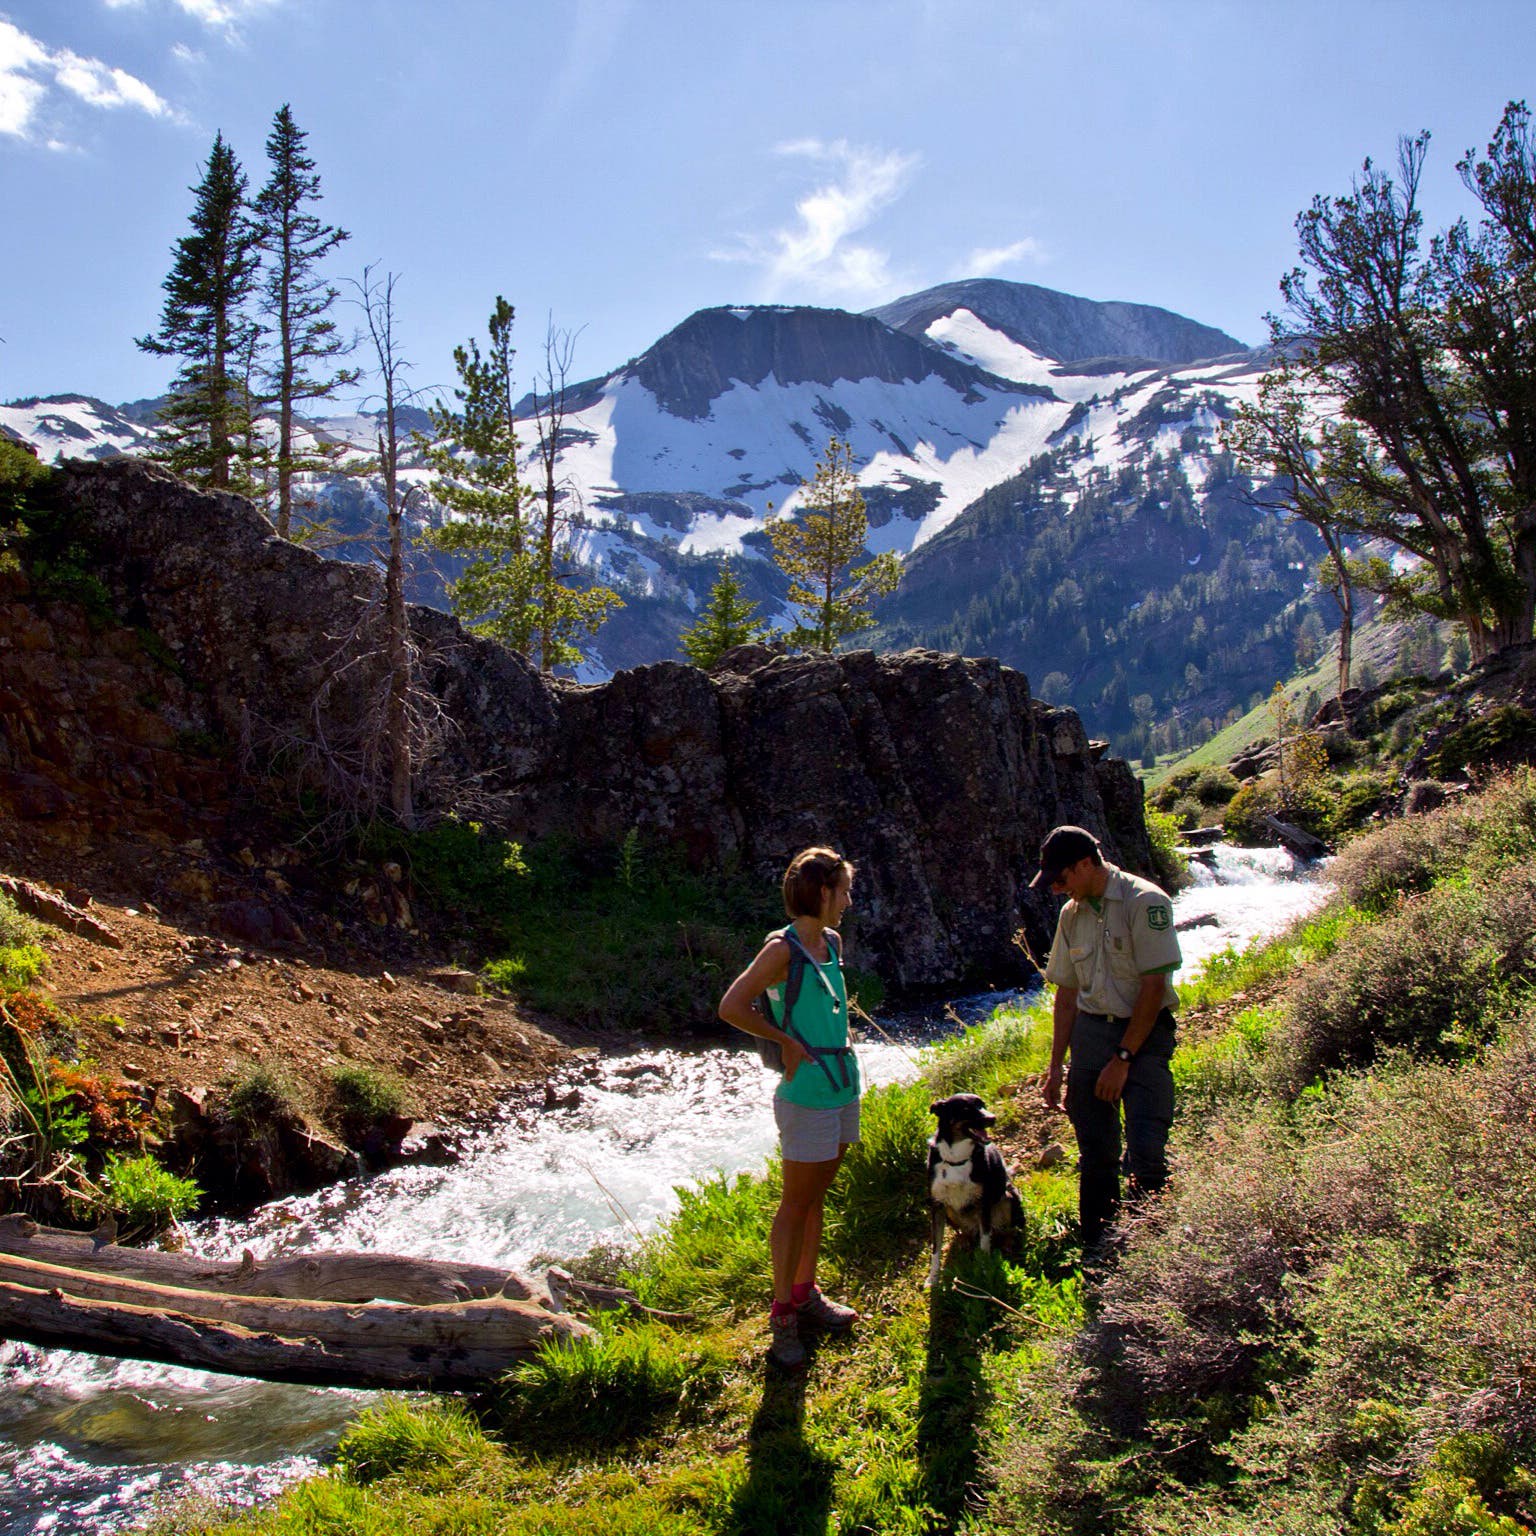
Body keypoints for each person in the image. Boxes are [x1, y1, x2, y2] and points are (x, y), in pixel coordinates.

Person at [719, 846, 862, 1368]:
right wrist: (784, 1041)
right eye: (843, 891)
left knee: (815, 1197)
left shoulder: (831, 941)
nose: (847, 900)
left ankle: (806, 1293)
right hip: (806, 1094)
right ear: (823, 892)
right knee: (795, 1202)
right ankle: (783, 1313)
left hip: (842, 1084)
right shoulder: (781, 950)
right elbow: (731, 1006)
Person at [1034, 825, 1181, 1256]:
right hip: (1091, 1033)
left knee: (1147, 1149)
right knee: (1095, 1152)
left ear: (1085, 864)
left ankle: (1155, 1252)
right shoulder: (1071, 915)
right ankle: (1099, 1246)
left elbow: (1154, 989)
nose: (1058, 890)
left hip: (1144, 1032)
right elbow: (1066, 993)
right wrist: (1055, 1066)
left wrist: (1123, 1058)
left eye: (1061, 880)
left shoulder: (1145, 901)